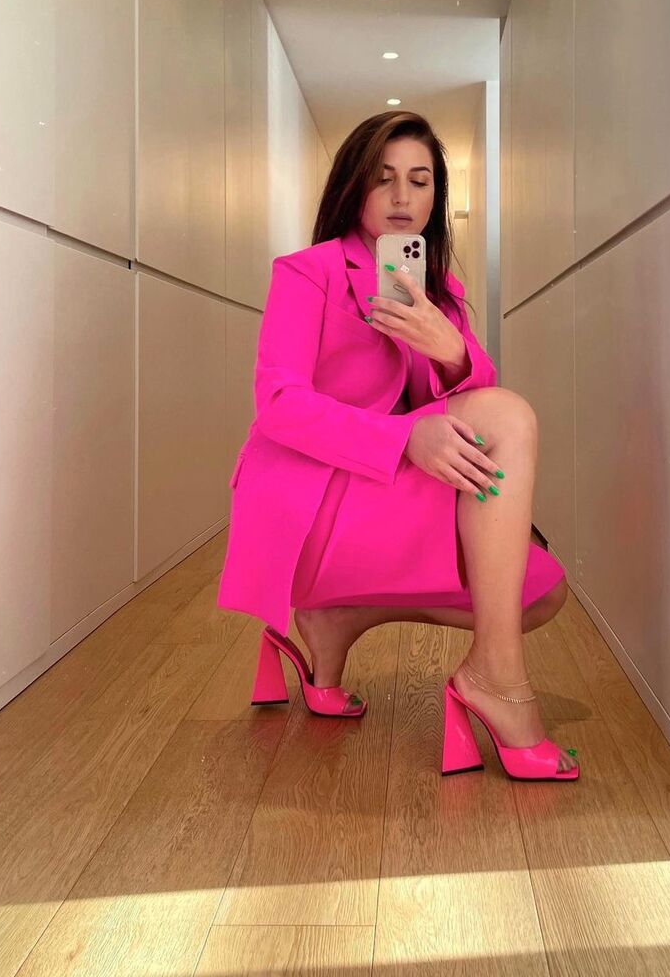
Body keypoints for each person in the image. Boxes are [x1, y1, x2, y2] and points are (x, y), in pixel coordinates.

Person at [217, 110, 579, 780]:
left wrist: (450, 351)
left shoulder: (438, 292)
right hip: (309, 502)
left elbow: (475, 420)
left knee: (540, 593)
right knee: (509, 420)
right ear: (354, 185)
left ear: (437, 195)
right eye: (383, 179)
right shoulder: (308, 271)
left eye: (420, 180)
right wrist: (404, 434)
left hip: (382, 497)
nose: (403, 197)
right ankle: (496, 679)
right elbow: (278, 403)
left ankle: (336, 620)